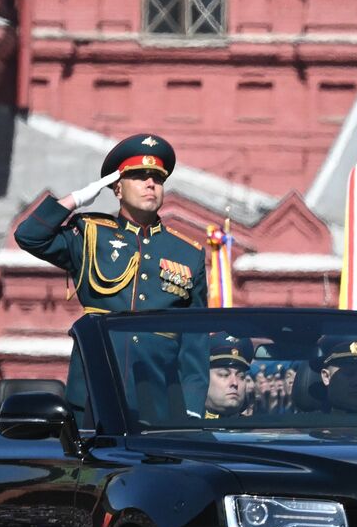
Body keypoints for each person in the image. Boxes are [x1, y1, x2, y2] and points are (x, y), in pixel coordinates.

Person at [13, 133, 209, 412]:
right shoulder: (91, 235)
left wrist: (192, 408)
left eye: (158, 179)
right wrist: (77, 199)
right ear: (117, 188)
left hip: (159, 399)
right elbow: (30, 236)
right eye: (140, 176)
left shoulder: (187, 254)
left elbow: (195, 340)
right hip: (94, 390)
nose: (151, 184)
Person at [205, 336, 254, 419]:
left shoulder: (256, 429)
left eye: (241, 377)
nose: (234, 383)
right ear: (204, 379)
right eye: (224, 374)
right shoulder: (184, 426)